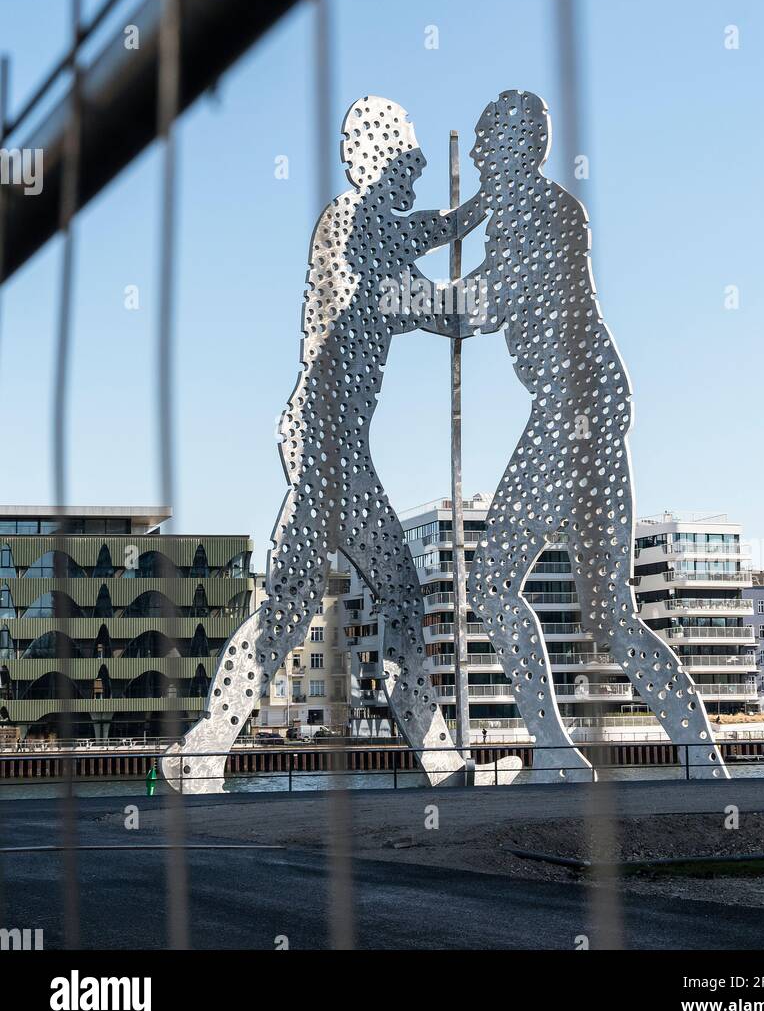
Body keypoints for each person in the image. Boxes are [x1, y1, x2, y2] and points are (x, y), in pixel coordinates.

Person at [163, 96, 485, 793]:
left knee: (315, 602)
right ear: (373, 158)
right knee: (363, 599)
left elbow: (424, 254)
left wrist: (469, 220)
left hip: (334, 447)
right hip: (325, 445)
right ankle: (432, 754)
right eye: (407, 152)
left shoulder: (362, 236)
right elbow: (440, 305)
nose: (421, 164)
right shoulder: (353, 232)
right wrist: (491, 275)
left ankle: (209, 746)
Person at [440, 90, 729, 781]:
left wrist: (386, 296)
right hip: (591, 411)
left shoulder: (539, 216)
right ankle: (702, 758)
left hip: (572, 414)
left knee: (491, 584)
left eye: (488, 141)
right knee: (609, 613)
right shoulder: (533, 209)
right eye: (476, 142)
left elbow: (473, 307)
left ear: (515, 148)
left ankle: (557, 752)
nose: (477, 153)